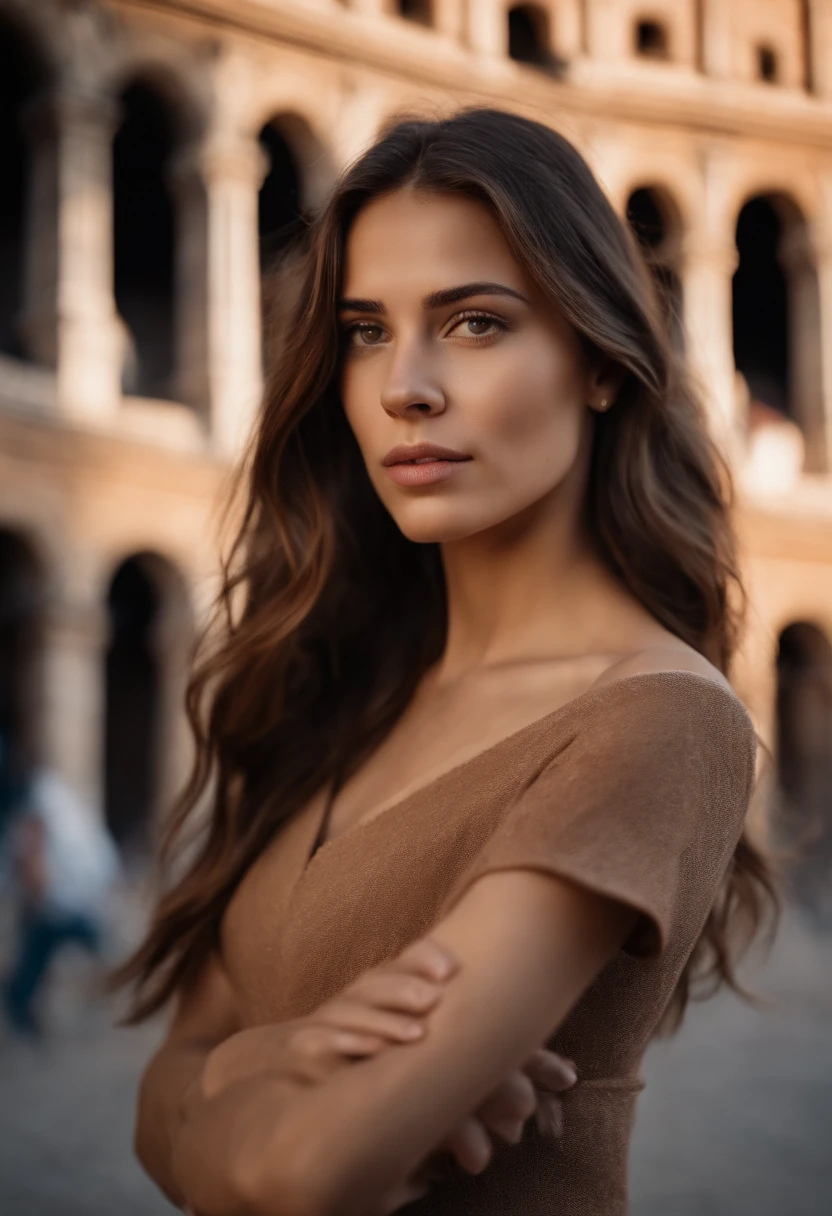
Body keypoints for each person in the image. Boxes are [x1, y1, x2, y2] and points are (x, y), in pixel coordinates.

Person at [114, 107, 779, 1215]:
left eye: (473, 324)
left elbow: (310, 1170)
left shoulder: (653, 719)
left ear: (601, 362)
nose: (401, 388)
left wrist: (223, 1086)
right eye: (366, 329)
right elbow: (157, 1092)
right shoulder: (348, 688)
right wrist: (247, 1067)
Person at [2, 769, 120, 1036]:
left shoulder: (42, 805)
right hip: (91, 906)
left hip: (70, 909)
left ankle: (21, 1011)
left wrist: (31, 902)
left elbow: (34, 865)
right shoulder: (71, 811)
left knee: (35, 947)